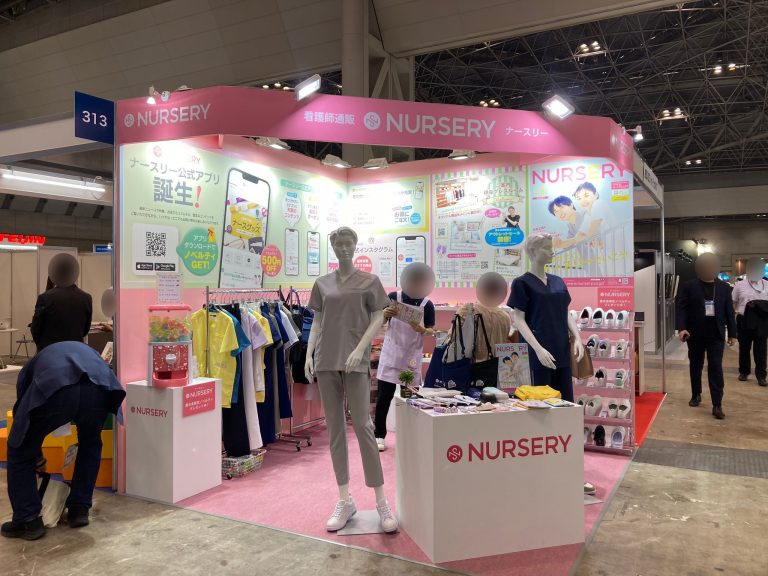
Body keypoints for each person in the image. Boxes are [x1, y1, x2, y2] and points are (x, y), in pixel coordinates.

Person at [305, 226, 398, 534]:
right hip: (326, 360)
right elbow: (317, 321)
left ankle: (381, 500)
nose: (344, 248)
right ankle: (345, 500)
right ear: (333, 248)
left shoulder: (369, 281)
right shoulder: (322, 283)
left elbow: (379, 316)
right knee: (334, 430)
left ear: (356, 246)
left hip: (355, 361)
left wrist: (360, 349)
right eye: (339, 244)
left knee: (363, 426)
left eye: (348, 243)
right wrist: (308, 354)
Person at [2, 341, 125, 540]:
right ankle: (79, 508)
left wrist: (35, 456)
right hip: (99, 386)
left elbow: (24, 418)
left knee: (19, 449)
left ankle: (27, 520)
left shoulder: (30, 368)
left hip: (58, 387)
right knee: (90, 443)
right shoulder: (80, 351)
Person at [374, 263, 435, 452]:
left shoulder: (427, 304)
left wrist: (422, 329)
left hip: (411, 357)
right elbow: (379, 321)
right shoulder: (394, 297)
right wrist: (384, 314)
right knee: (383, 398)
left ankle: (410, 436)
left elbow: (431, 330)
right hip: (391, 355)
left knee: (411, 400)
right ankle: (379, 435)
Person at [676, 252, 737, 419]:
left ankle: (717, 404)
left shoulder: (724, 288)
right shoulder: (689, 286)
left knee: (715, 367)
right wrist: (681, 328)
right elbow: (682, 308)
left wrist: (732, 333)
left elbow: (729, 312)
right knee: (695, 366)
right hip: (695, 334)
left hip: (716, 334)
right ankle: (696, 394)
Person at [31, 253, 92, 351]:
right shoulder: (86, 298)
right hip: (76, 350)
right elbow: (85, 330)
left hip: (51, 351)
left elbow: (36, 329)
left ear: (55, 273)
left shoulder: (45, 298)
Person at [732, 258, 768, 386]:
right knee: (744, 348)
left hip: (762, 321)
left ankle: (761, 376)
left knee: (761, 350)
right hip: (744, 319)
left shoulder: (767, 284)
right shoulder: (739, 285)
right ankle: (744, 372)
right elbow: (733, 302)